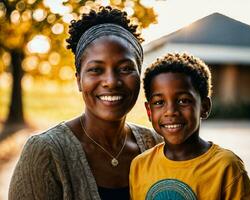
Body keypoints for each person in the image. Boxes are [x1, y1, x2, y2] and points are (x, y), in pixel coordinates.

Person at [9, 6, 162, 200]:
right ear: (78, 80)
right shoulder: (46, 152)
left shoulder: (157, 145)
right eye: (96, 70)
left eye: (125, 68)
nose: (111, 81)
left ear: (139, 76)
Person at [129, 53, 250, 199]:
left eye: (184, 101)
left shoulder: (226, 166)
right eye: (159, 102)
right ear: (149, 111)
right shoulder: (140, 165)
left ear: (204, 107)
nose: (171, 111)